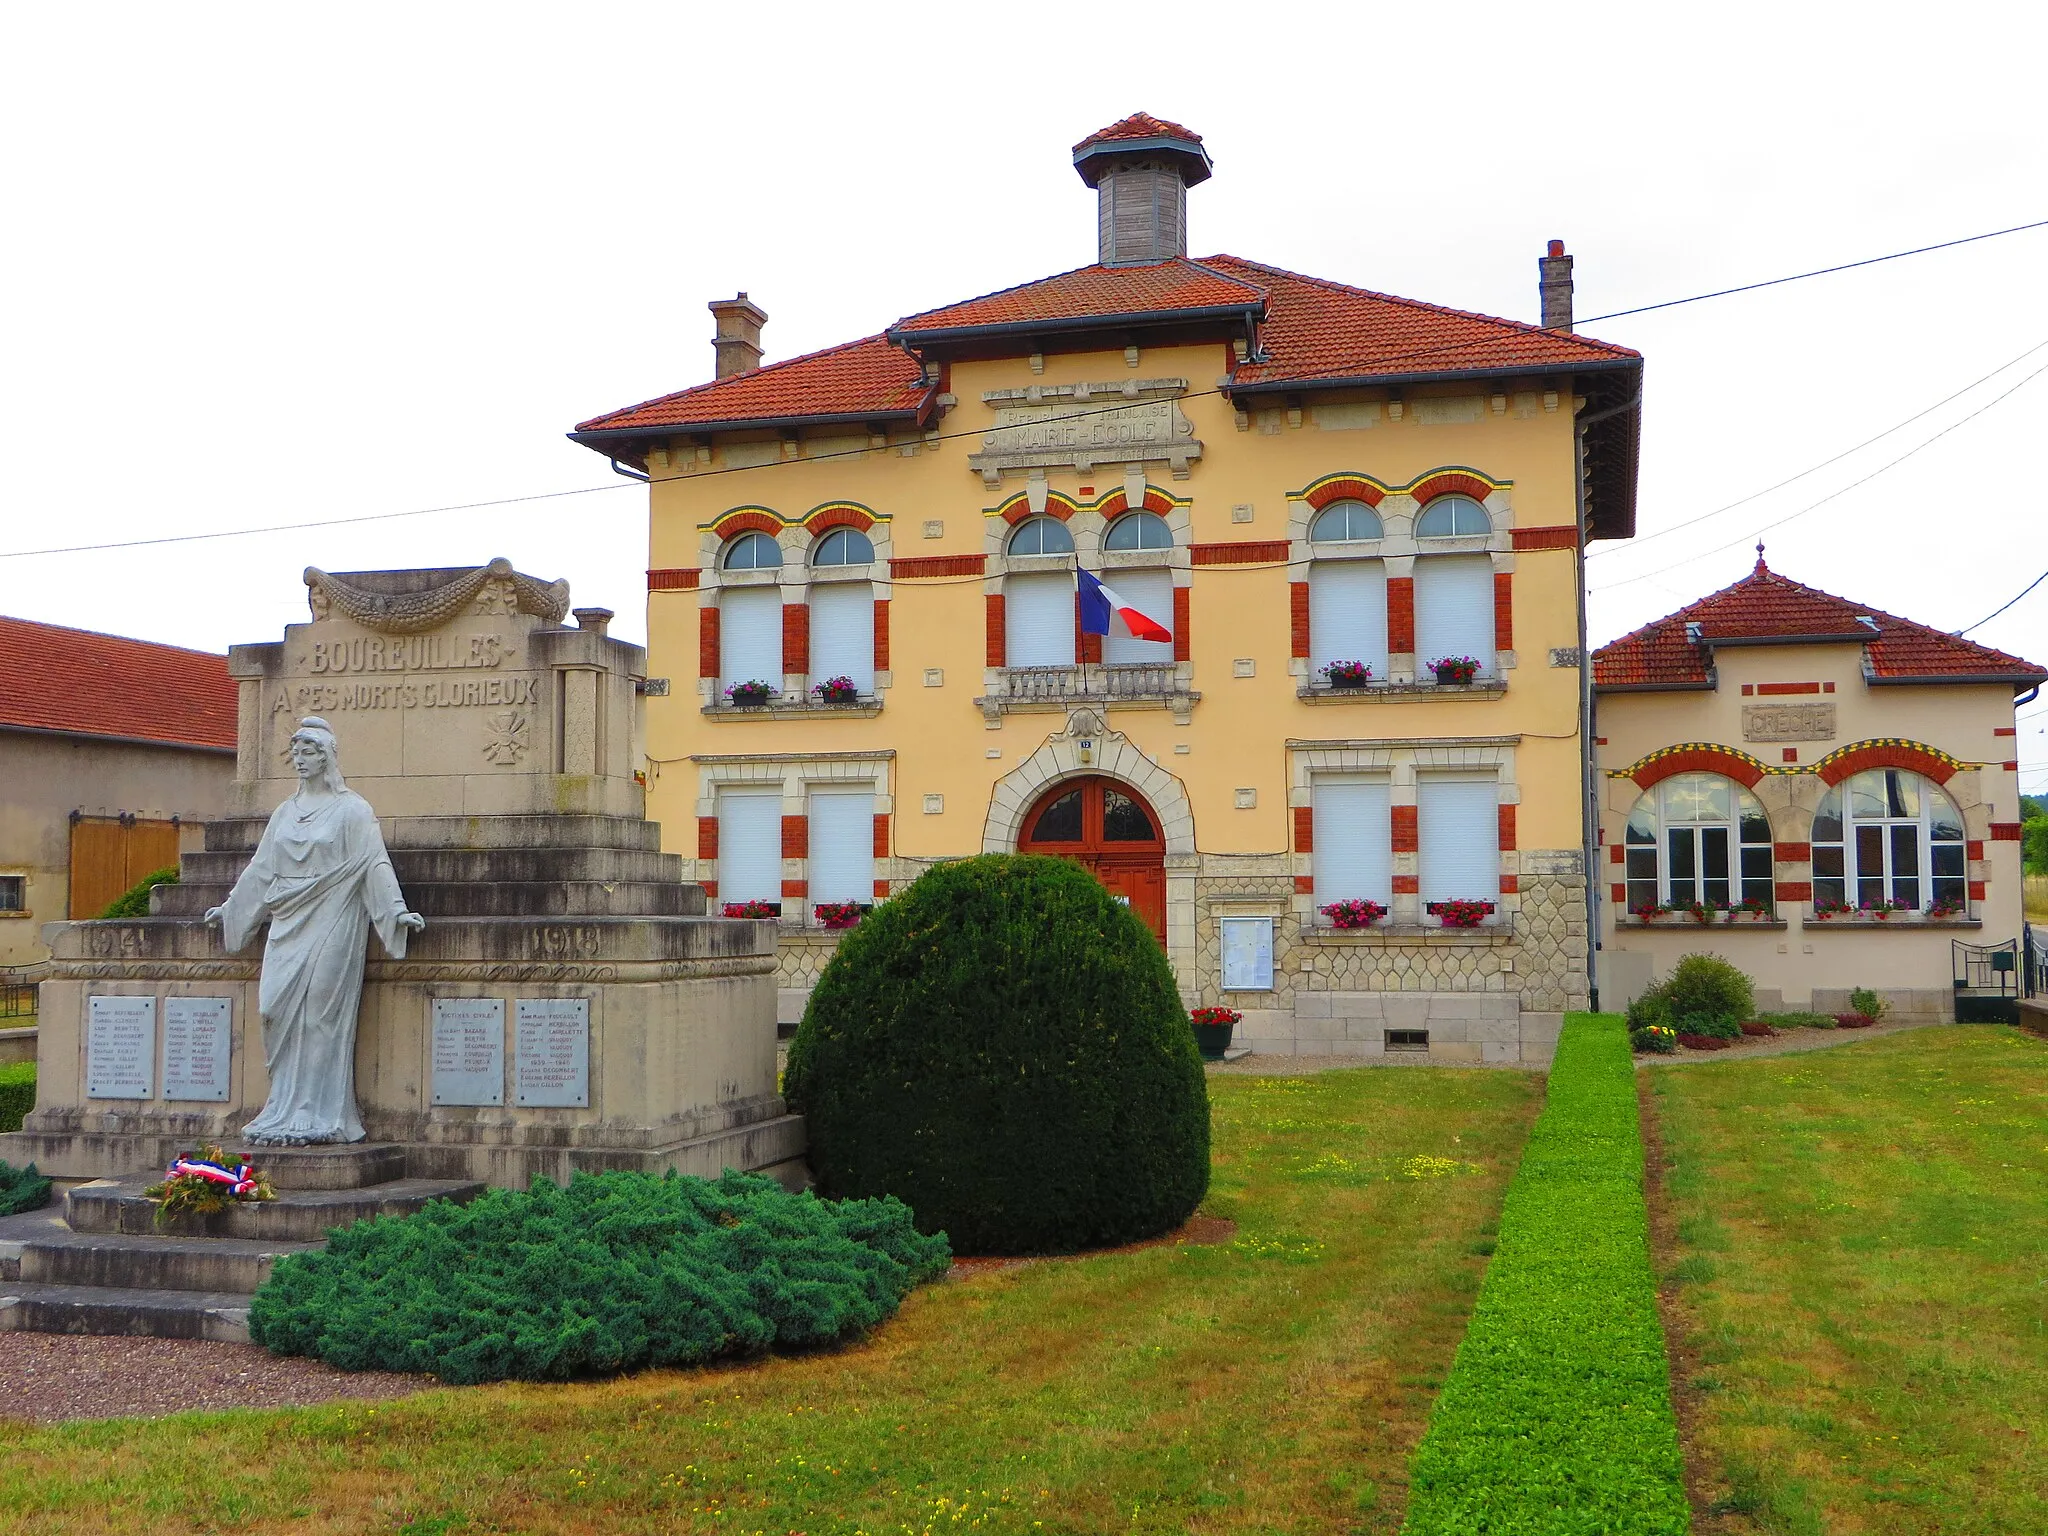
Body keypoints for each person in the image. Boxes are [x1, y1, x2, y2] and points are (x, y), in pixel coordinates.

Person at [204, 717, 424, 1144]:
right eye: (296, 753)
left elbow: (374, 862)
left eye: (308, 752)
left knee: (321, 1013)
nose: (300, 761)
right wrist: (232, 910)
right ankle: (282, 1105)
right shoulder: (286, 812)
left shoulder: (352, 810)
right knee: (272, 1009)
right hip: (287, 918)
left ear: (327, 757)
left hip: (336, 912)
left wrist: (395, 912)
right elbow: (262, 868)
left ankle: (317, 1111)